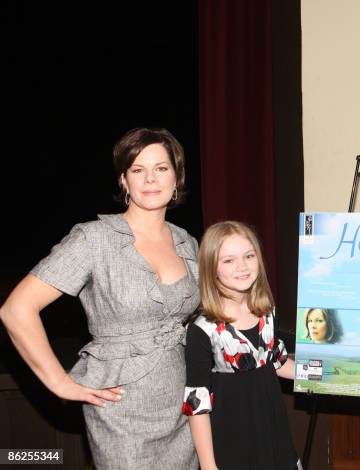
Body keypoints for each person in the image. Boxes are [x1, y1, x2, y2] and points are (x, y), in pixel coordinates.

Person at [0, 128, 200, 469]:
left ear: (176, 177)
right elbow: (17, 309)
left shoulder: (188, 243)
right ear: (124, 180)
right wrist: (60, 382)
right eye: (138, 170)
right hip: (120, 410)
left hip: (183, 407)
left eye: (161, 168)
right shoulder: (94, 240)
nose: (150, 178)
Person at [183, 221, 300, 470]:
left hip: (271, 431)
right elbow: (197, 405)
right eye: (228, 260)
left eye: (249, 256)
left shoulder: (266, 310)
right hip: (231, 440)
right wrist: (208, 466)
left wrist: (325, 374)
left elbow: (275, 362)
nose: (242, 266)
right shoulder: (202, 330)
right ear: (210, 268)